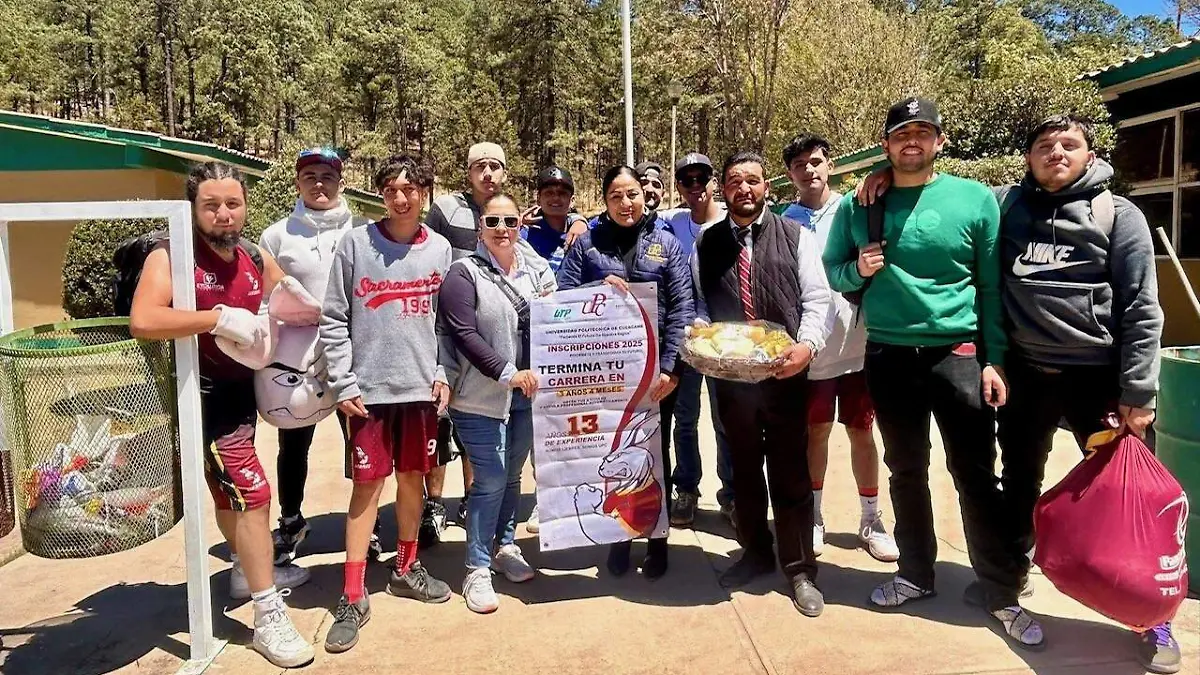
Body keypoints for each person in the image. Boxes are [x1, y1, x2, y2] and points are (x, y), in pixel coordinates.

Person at [859, 114, 1176, 670]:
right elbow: (933, 193)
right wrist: (882, 173)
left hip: (1095, 380)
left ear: (1089, 153)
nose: (1056, 153)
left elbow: (1142, 308)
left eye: (1069, 144)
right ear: (1027, 156)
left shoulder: (1118, 215)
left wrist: (1138, 389)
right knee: (1018, 482)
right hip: (1025, 376)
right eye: (1044, 145)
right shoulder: (1006, 205)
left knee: (1130, 497)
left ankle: (1156, 618)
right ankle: (1008, 577)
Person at [823, 97, 1039, 647]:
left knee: (974, 473)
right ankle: (915, 574)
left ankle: (1000, 591)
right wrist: (857, 267)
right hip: (889, 354)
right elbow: (836, 272)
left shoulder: (974, 199)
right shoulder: (861, 204)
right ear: (887, 144)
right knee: (906, 470)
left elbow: (991, 286)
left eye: (922, 133)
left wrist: (993, 360)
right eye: (901, 135)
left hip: (958, 354)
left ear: (939, 141)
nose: (911, 142)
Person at [129, 161, 314, 668]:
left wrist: (303, 309)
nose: (224, 214)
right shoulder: (171, 256)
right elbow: (144, 319)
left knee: (232, 494)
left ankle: (241, 569)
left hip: (242, 394)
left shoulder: (254, 254)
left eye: (233, 203)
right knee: (252, 493)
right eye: (211, 205)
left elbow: (289, 297)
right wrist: (215, 318)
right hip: (200, 396)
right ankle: (267, 612)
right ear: (193, 207)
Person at [321, 154, 454, 653]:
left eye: (410, 188)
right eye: (392, 188)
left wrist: (442, 373)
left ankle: (405, 566)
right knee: (366, 489)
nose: (401, 197)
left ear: (424, 192)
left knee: (412, 481)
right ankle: (353, 594)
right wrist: (344, 382)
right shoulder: (355, 244)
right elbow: (333, 317)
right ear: (381, 194)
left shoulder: (440, 250)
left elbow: (445, 323)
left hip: (420, 391)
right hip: (368, 394)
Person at [691, 151, 831, 617]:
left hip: (786, 376)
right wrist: (700, 336)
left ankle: (799, 568)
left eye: (752, 180)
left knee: (790, 471)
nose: (744, 189)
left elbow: (817, 301)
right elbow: (699, 306)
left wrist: (806, 348)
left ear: (766, 187)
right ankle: (753, 552)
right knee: (744, 471)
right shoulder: (707, 243)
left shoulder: (797, 237)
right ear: (723, 190)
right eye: (735, 182)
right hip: (732, 382)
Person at [426, 143, 587, 539]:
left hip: (510, 352)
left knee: (493, 460)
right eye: (480, 166)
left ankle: (475, 503)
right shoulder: (447, 210)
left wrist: (579, 219)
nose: (487, 173)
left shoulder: (522, 229)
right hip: (456, 336)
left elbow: (559, 221)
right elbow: (427, 253)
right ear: (468, 172)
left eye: (495, 167)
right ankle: (434, 504)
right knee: (445, 429)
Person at [557, 164, 694, 579]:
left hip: (655, 374)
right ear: (605, 200)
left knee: (654, 452)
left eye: (632, 193)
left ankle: (657, 538)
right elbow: (563, 296)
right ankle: (617, 535)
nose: (625, 203)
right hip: (604, 373)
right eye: (615, 195)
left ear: (645, 195)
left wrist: (671, 368)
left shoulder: (666, 244)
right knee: (611, 453)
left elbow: (683, 310)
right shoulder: (587, 244)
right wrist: (598, 293)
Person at [780, 134, 898, 563]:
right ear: (790, 174)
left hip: (859, 345)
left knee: (862, 431)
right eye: (799, 165)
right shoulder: (785, 221)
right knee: (816, 433)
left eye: (816, 162)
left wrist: (882, 174)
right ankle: (814, 516)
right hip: (814, 352)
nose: (809, 170)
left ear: (829, 165)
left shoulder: (856, 207)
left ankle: (871, 517)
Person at [258, 147, 377, 565]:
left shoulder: (364, 230)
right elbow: (266, 297)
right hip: (298, 357)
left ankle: (367, 524)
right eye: (309, 176)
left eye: (327, 176)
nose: (319, 183)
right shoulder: (277, 235)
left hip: (353, 350)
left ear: (340, 181)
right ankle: (291, 521)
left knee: (359, 438)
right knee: (294, 442)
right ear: (298, 183)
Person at [439, 193, 557, 613]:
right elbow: (463, 335)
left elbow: (561, 316)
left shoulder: (536, 272)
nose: (502, 228)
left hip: (526, 396)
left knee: (510, 478)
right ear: (480, 228)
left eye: (510, 220)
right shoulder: (463, 273)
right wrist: (508, 373)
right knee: (488, 479)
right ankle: (476, 567)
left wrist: (607, 292)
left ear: (520, 225)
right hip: (480, 397)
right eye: (493, 221)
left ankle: (505, 546)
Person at [658, 152, 736, 527]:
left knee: (725, 420)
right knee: (685, 420)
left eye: (701, 178)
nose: (695, 187)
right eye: (686, 180)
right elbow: (628, 215)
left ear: (713, 182)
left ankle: (731, 494)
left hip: (724, 340)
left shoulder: (731, 222)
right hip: (684, 341)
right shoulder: (670, 222)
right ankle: (686, 489)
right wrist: (577, 221)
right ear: (679, 187)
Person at [520, 165, 590, 273]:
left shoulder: (584, 234)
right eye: (549, 193)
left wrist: (580, 221)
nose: (555, 198)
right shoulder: (524, 236)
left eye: (562, 193)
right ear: (538, 199)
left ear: (572, 201)